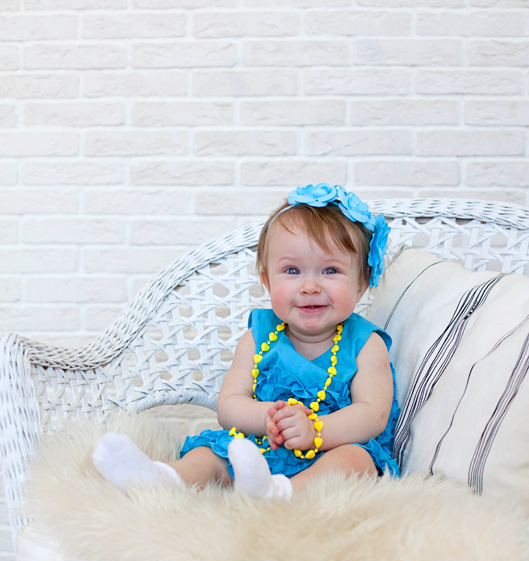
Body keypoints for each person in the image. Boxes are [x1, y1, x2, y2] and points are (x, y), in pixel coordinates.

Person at [92, 183, 400, 501]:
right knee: (212, 454)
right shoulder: (259, 337)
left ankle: (280, 494)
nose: (310, 286)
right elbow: (229, 406)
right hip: (260, 449)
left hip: (331, 447)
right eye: (292, 270)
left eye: (330, 270)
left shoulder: (365, 344)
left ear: (362, 283)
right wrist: (267, 418)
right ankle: (162, 478)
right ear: (267, 280)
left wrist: (316, 431)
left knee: (356, 461)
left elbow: (373, 415)